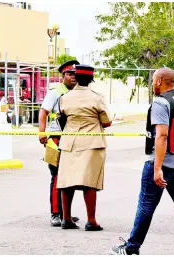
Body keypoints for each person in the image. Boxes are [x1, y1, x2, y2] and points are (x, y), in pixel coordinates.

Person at [111, 67, 174, 255]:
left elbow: (162, 136)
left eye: (153, 80)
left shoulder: (160, 102)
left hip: (164, 163)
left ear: (159, 81)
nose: (152, 83)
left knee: (146, 206)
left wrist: (157, 168)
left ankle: (131, 248)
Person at [57, 64, 112, 230]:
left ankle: (66, 218)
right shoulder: (97, 97)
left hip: (69, 142)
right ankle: (91, 220)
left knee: (67, 181)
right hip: (91, 143)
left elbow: (62, 117)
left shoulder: (65, 97)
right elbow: (106, 122)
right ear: (91, 79)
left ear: (76, 78)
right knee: (90, 182)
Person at [38, 60, 80, 227]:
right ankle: (55, 213)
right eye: (70, 74)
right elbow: (43, 112)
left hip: (71, 138)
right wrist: (42, 133)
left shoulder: (77, 92)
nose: (73, 77)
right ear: (63, 75)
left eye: (75, 74)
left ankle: (65, 213)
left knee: (69, 176)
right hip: (55, 137)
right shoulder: (56, 91)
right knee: (56, 176)